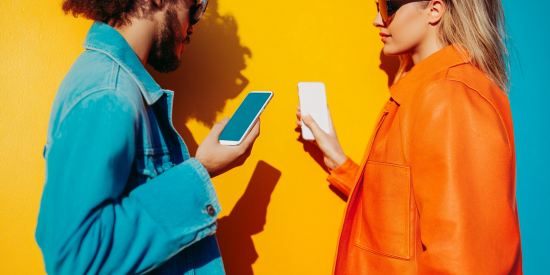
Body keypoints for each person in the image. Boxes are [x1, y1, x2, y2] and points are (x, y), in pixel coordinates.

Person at [296, 0, 522, 273]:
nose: (378, 21)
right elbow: (404, 212)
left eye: (386, 6)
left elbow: (465, 262)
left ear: (435, 10)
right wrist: (339, 162)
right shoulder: (425, 91)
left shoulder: (448, 97)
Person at [35, 0, 259, 274]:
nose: (193, 24)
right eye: (195, 6)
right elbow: (76, 260)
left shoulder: (123, 89)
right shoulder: (108, 92)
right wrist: (201, 170)